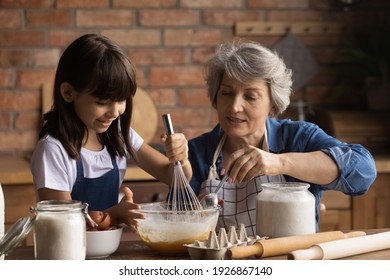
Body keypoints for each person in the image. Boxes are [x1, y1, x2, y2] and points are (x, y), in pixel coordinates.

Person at [188, 40, 377, 235]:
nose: (235, 106)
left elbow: (364, 172)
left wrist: (281, 162)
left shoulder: (299, 138)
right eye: (226, 93)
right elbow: (177, 226)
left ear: (273, 105)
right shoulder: (196, 153)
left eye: (250, 96)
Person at [30, 34, 191, 228]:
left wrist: (181, 158)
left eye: (121, 100)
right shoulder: (53, 150)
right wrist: (112, 217)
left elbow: (177, 180)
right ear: (68, 92)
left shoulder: (121, 135)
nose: (115, 112)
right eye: (102, 102)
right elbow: (63, 223)